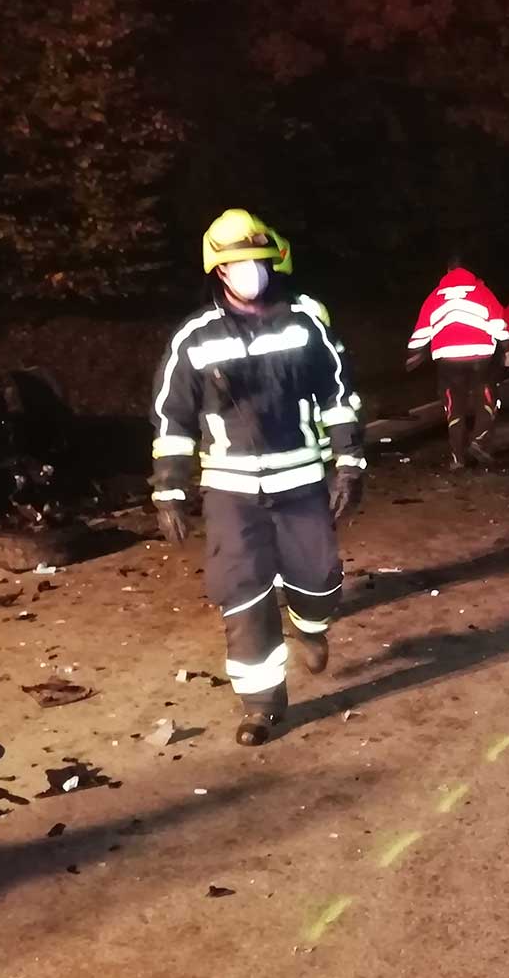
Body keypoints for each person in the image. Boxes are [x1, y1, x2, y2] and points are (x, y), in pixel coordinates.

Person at [151, 209, 366, 746]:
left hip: (300, 483)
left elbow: (339, 398)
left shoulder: (304, 325)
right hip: (231, 492)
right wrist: (170, 491)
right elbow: (171, 418)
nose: (250, 270)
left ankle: (310, 626)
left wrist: (349, 463)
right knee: (242, 595)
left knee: (319, 579)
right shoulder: (194, 340)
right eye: (237, 263)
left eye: (257, 260)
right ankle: (262, 706)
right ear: (217, 272)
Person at [406, 257, 509, 469]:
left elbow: (422, 330)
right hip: (480, 355)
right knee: (487, 398)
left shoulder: (435, 296)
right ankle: (479, 441)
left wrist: (414, 352)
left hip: (448, 358)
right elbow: (498, 322)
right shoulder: (481, 291)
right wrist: (507, 347)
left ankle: (457, 458)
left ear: (447, 270)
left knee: (454, 406)